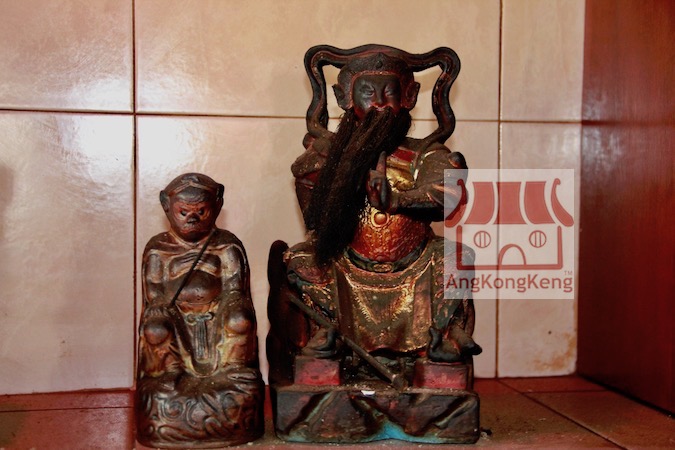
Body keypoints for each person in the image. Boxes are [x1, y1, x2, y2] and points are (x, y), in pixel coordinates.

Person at [136, 173, 263, 448]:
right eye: (183, 212)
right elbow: (153, 289)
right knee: (154, 328)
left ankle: (234, 368)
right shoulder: (159, 248)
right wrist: (159, 306)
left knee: (240, 320)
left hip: (218, 311)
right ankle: (169, 370)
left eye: (201, 212)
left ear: (217, 205)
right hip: (175, 314)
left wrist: (233, 306)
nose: (192, 219)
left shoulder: (226, 244)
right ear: (166, 206)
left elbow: (234, 285)